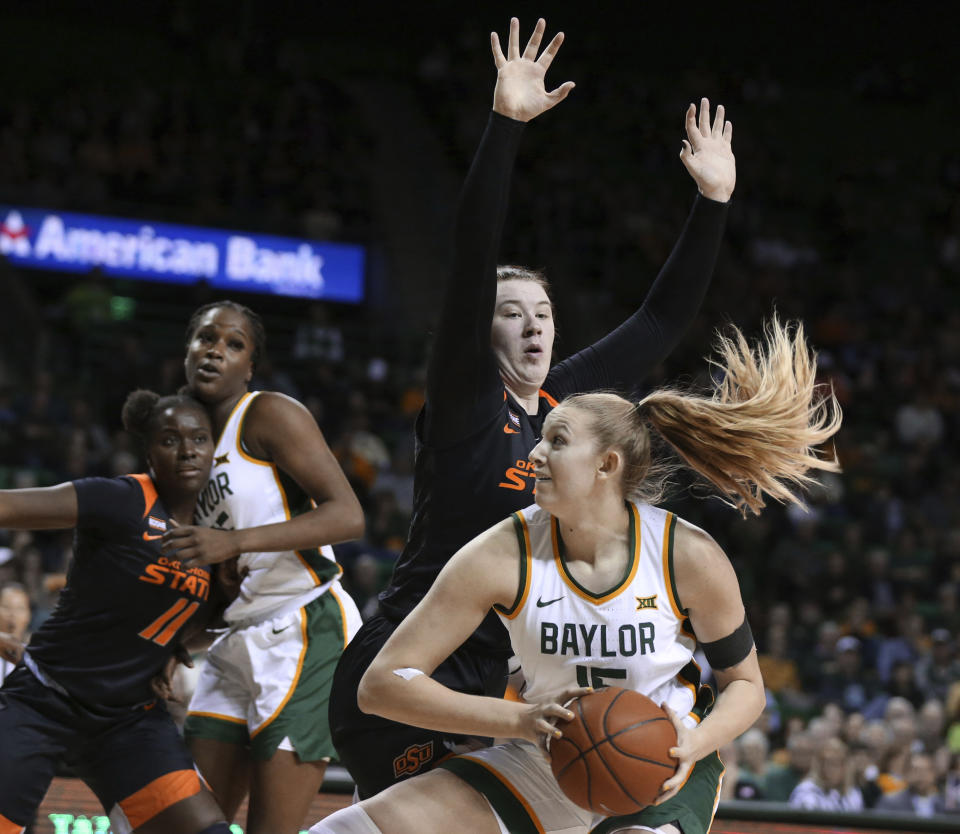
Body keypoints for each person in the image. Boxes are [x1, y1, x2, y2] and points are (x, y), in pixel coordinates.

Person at [329, 16, 737, 799]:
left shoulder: (561, 411)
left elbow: (657, 323)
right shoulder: (465, 403)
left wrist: (712, 202)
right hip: (409, 671)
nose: (534, 324)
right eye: (511, 312)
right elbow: (471, 255)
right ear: (480, 334)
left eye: (543, 312)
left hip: (494, 681)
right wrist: (505, 125)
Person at [312, 315, 842, 834]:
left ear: (606, 465)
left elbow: (746, 685)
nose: (535, 454)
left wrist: (691, 742)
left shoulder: (687, 555)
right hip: (540, 754)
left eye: (557, 441)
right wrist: (518, 720)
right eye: (540, 438)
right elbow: (381, 686)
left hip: (661, 763)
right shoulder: (501, 553)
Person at [162, 299, 365, 834]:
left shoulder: (270, 413)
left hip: (303, 627)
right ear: (187, 350)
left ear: (249, 366)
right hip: (233, 641)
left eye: (233, 344)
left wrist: (231, 543)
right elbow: (212, 574)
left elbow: (348, 515)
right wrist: (178, 643)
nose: (215, 351)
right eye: (205, 339)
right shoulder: (182, 445)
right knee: (188, 824)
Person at [0, 390, 232, 834]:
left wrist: (175, 649)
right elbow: (7, 506)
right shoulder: (121, 499)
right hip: (46, 698)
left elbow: (201, 628)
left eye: (199, 439)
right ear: (149, 454)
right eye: (170, 440)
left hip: (129, 719)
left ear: (214, 451)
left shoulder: (219, 536)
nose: (187, 450)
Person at [789, 737, 864, 812]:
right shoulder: (806, 790)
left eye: (839, 763)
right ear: (820, 765)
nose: (833, 769)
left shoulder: (852, 792)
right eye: (829, 762)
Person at [0, 581, 31, 684]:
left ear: (29, 615)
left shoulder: (34, 657)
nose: (13, 614)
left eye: (20, 608)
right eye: (6, 607)